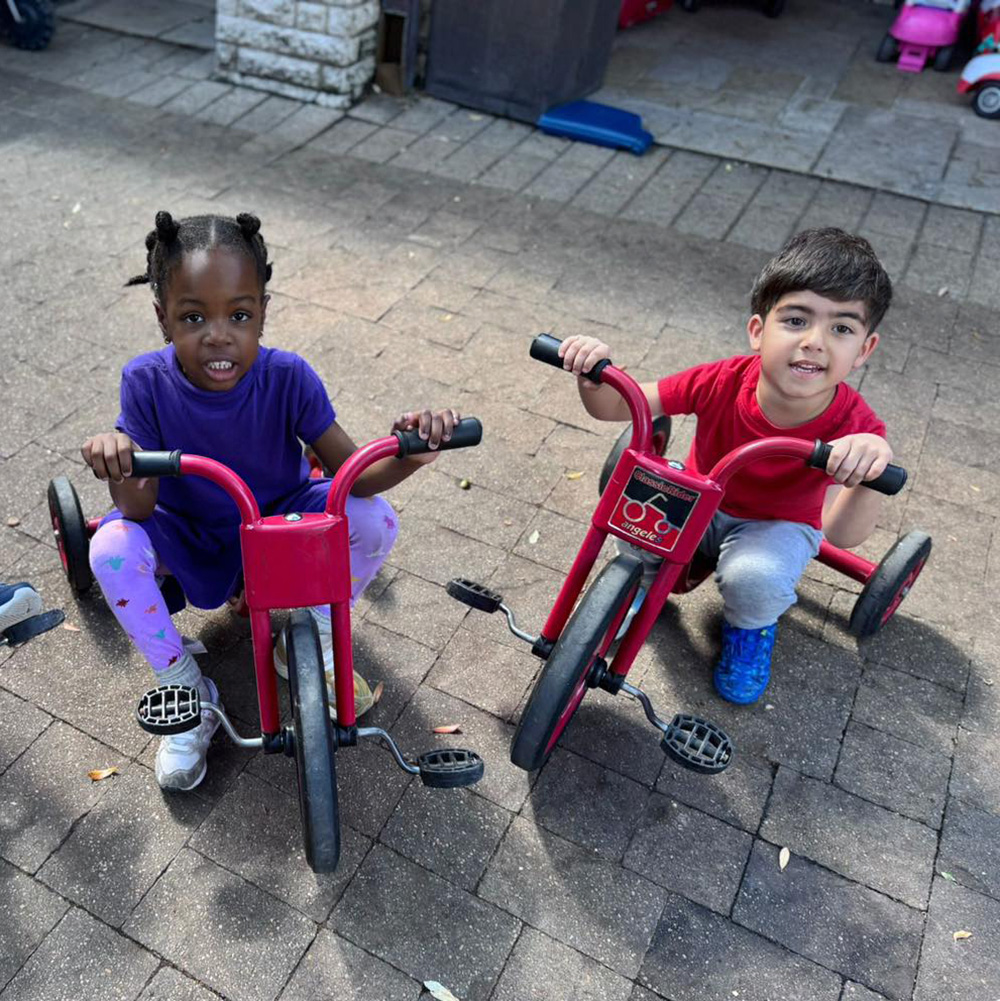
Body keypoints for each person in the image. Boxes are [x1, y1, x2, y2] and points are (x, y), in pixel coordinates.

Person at [82, 211, 460, 791]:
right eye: (192, 317)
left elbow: (353, 475)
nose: (218, 334)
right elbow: (137, 508)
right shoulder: (145, 383)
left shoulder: (289, 376)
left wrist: (413, 454)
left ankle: (312, 626)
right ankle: (183, 683)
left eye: (239, 314)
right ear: (163, 319)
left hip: (279, 516)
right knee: (110, 549)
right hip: (189, 528)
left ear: (263, 310)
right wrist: (121, 458)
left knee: (374, 520)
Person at [559, 228, 893, 705]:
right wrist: (593, 375)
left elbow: (840, 535)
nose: (815, 342)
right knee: (638, 526)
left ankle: (751, 633)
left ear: (864, 349)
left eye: (841, 328)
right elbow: (625, 406)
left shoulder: (856, 428)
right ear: (758, 331)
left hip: (778, 524)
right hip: (700, 497)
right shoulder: (722, 380)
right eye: (796, 320)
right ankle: (631, 590)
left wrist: (870, 474)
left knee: (753, 581)